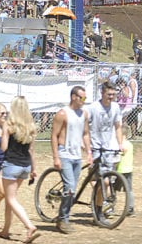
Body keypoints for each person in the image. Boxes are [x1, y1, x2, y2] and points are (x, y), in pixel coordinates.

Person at [50, 85, 91, 235]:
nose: (84, 101)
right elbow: (54, 135)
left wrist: (89, 151)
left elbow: (85, 133)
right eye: (82, 98)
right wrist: (56, 157)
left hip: (76, 156)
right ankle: (63, 219)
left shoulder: (84, 114)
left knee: (71, 190)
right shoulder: (62, 114)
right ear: (74, 97)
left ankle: (63, 216)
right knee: (69, 187)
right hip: (64, 154)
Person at [0, 97, 39, 243]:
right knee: (12, 198)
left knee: (11, 198)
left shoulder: (9, 125)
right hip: (25, 166)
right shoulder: (31, 126)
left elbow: (4, 147)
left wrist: (3, 133)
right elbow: (32, 150)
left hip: (11, 165)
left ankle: (29, 225)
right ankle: (5, 230)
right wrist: (34, 169)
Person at [86, 81, 124, 172]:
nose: (111, 97)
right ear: (102, 93)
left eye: (113, 94)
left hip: (107, 147)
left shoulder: (115, 107)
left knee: (106, 178)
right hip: (94, 146)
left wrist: (120, 144)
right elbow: (84, 126)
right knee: (96, 176)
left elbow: (118, 127)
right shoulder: (93, 107)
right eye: (109, 94)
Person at [116, 124, 135, 216]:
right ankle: (130, 208)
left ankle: (110, 207)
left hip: (119, 170)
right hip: (129, 170)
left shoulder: (121, 145)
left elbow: (120, 155)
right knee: (129, 190)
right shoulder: (130, 144)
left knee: (112, 189)